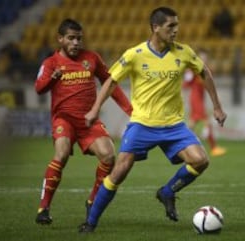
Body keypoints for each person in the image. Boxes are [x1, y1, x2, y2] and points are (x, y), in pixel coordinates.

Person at [78, 7, 227, 233]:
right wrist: (94, 109)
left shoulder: (183, 52)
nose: (176, 30)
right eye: (170, 26)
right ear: (155, 28)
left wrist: (216, 106)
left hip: (174, 125)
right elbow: (110, 81)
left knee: (200, 160)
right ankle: (91, 222)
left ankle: (167, 192)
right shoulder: (135, 54)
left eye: (177, 25)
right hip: (142, 124)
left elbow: (204, 72)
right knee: (119, 171)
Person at [34, 18, 132, 225]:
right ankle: (44, 208)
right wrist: (53, 77)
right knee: (60, 155)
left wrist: (129, 109)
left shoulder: (92, 58)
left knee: (108, 156)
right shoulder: (51, 63)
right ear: (60, 39)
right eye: (71, 38)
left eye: (79, 38)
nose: (76, 42)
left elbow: (110, 83)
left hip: (89, 120)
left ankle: (92, 201)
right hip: (64, 119)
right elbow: (39, 88)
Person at [183, 48, 226, 156]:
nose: (204, 59)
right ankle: (214, 148)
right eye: (202, 57)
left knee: (192, 124)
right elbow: (185, 84)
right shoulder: (193, 70)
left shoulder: (204, 70)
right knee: (207, 122)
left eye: (205, 57)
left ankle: (182, 144)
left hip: (199, 99)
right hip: (196, 99)